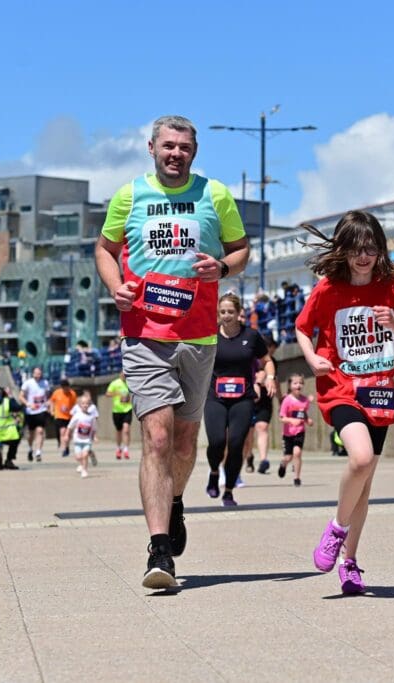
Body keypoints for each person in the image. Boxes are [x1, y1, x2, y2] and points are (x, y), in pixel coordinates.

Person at [94, 114, 250, 589]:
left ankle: (174, 501)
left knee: (184, 444)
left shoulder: (215, 195)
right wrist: (116, 286)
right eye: (168, 145)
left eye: (184, 146)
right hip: (144, 332)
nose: (175, 153)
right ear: (151, 148)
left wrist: (221, 266)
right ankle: (159, 551)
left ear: (194, 152)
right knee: (157, 439)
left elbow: (242, 249)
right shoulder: (129, 196)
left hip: (199, 336)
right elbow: (104, 248)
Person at [295, 210, 394, 595]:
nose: (363, 256)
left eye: (370, 248)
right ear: (343, 251)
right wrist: (311, 358)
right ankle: (336, 530)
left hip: (380, 394)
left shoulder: (392, 289)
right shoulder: (329, 290)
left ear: (380, 250)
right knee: (361, 459)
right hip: (341, 389)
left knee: (364, 487)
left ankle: (349, 564)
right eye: (355, 249)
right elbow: (303, 328)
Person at [203, 293, 276, 506]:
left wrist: (269, 377)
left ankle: (228, 490)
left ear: (239, 313)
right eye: (223, 312)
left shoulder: (251, 336)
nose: (226, 316)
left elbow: (267, 360)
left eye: (231, 312)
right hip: (215, 397)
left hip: (243, 398)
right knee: (217, 441)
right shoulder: (210, 335)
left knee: (236, 443)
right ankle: (215, 472)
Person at [277, 373, 313, 486]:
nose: (298, 385)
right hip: (288, 434)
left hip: (300, 432)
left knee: (297, 453)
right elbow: (281, 417)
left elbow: (303, 413)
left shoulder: (304, 400)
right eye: (295, 383)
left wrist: (308, 420)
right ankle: (283, 464)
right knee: (288, 457)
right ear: (290, 385)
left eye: (301, 383)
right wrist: (291, 421)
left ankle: (297, 478)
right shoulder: (287, 400)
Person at [252, 335, 279, 474]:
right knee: (247, 434)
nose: (271, 353)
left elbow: (276, 381)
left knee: (262, 427)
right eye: (270, 349)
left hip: (265, 401)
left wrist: (280, 399)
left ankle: (263, 460)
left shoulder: (273, 362)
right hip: (249, 400)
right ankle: (248, 455)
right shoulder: (250, 358)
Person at [19, 366, 50, 462]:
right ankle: (30, 448)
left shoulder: (45, 383)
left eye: (39, 373)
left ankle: (38, 452)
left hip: (41, 410)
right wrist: (28, 404)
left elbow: (48, 395)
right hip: (30, 412)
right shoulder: (27, 383)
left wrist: (48, 403)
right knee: (31, 434)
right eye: (36, 373)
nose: (38, 375)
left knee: (40, 431)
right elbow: (21, 396)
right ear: (33, 374)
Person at [67, 393, 97, 479]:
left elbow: (94, 428)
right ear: (79, 405)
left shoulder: (92, 417)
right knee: (78, 456)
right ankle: (81, 464)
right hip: (77, 440)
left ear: (89, 405)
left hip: (87, 440)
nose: (85, 405)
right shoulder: (77, 415)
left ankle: (84, 470)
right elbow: (70, 426)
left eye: (87, 404)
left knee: (84, 455)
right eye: (83, 404)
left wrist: (94, 436)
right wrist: (66, 436)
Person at [105, 371, 134, 460]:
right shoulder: (115, 383)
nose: (124, 376)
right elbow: (107, 393)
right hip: (117, 410)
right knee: (119, 431)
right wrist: (117, 394)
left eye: (126, 375)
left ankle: (126, 449)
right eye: (123, 374)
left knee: (126, 429)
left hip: (128, 409)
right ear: (120, 374)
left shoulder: (131, 383)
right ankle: (118, 448)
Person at [50, 378, 77, 457]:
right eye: (64, 388)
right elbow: (52, 401)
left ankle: (67, 446)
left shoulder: (72, 394)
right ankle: (64, 449)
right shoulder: (57, 393)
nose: (66, 389)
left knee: (68, 434)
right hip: (59, 415)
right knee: (62, 432)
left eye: (67, 387)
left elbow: (74, 405)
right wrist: (52, 410)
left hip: (69, 416)